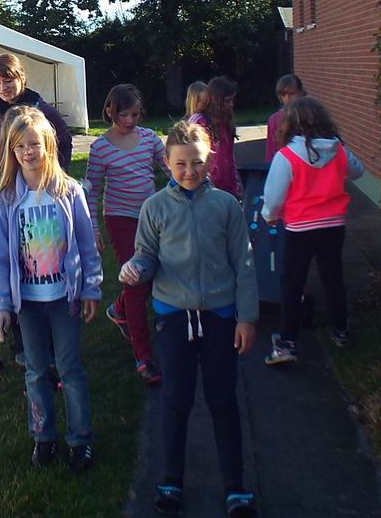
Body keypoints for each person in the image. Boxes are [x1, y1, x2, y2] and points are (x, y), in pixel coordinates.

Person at [120, 122, 259, 518]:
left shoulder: (226, 206)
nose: (189, 171)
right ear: (166, 162)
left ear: (210, 161)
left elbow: (244, 263)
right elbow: (146, 255)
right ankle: (170, 481)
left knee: (223, 401)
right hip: (173, 317)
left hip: (220, 316)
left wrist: (247, 317)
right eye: (180, 164)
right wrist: (136, 268)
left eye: (197, 163)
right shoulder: (154, 208)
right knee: (176, 400)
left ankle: (235, 488)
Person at [0, 106, 103, 471]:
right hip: (28, 305)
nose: (28, 152)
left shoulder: (69, 192)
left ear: (48, 144)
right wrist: (1, 305)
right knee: (35, 371)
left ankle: (80, 440)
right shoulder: (6, 200)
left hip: (64, 300)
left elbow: (87, 246)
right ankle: (44, 436)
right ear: (12, 150)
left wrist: (91, 289)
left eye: (34, 144)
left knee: (69, 369)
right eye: (20, 146)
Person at [0, 52, 71, 370]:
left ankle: (46, 342)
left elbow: (64, 141)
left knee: (41, 265)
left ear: (21, 77)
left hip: (39, 198)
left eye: (8, 81)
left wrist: (54, 176)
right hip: (6, 200)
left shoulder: (40, 109)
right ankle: (23, 345)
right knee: (13, 269)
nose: (3, 88)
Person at [262, 96, 364, 365]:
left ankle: (287, 343)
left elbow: (274, 196)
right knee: (333, 278)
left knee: (292, 283)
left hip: (300, 228)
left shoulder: (286, 156)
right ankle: (341, 331)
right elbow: (358, 171)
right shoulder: (338, 150)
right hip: (333, 225)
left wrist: (269, 216)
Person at [84, 84, 167, 385]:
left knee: (156, 274)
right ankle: (143, 356)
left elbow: (169, 168)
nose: (130, 120)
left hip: (151, 218)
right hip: (120, 219)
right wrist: (94, 228)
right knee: (135, 281)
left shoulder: (149, 138)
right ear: (110, 111)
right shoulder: (100, 148)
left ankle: (118, 309)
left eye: (135, 114)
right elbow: (91, 191)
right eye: (124, 115)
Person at [188, 76, 242, 198]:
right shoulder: (198, 121)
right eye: (227, 101)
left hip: (227, 188)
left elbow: (229, 158)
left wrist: (236, 185)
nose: (231, 105)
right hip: (205, 190)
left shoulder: (226, 121)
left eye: (232, 100)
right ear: (216, 100)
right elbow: (190, 157)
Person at [264, 74, 305, 162]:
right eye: (284, 95)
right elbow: (271, 150)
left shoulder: (309, 116)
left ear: (300, 93)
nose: (288, 98)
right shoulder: (274, 120)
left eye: (292, 94)